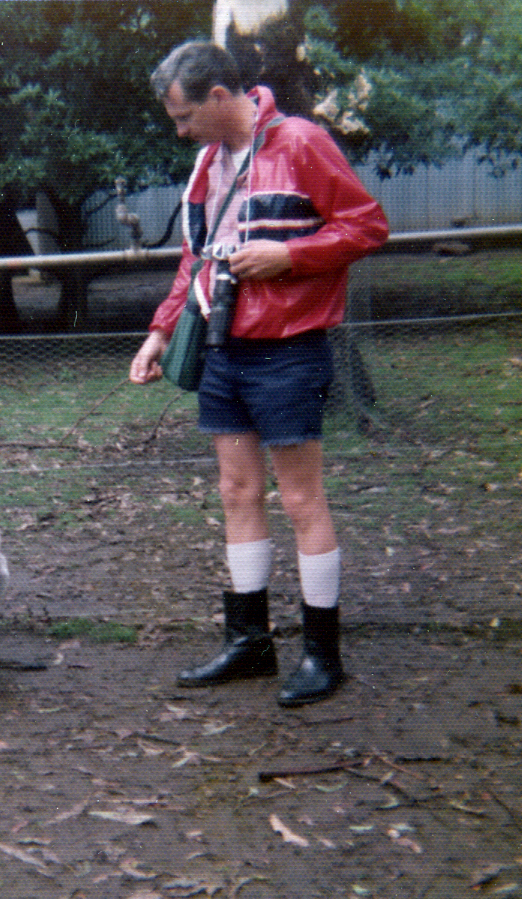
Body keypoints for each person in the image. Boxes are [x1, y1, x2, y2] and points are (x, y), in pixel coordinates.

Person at [130, 42, 388, 707]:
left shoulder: (300, 142)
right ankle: (249, 642)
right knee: (236, 490)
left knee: (302, 498)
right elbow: (195, 259)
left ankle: (321, 654)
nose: (180, 130)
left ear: (220, 97)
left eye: (185, 116)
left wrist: (291, 256)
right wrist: (161, 330)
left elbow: (366, 224)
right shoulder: (206, 166)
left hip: (287, 349)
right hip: (221, 348)